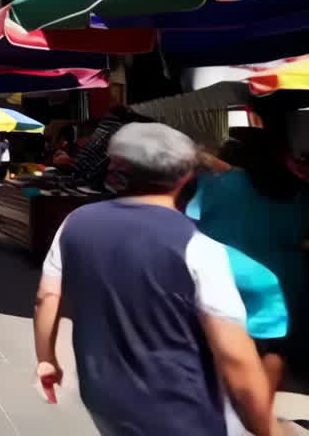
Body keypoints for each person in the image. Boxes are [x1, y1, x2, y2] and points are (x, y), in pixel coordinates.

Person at [34, 123, 274, 436]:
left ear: (119, 168)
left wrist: (46, 359)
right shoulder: (199, 248)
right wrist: (270, 429)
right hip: (185, 413)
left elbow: (46, 297)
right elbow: (235, 357)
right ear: (186, 177)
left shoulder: (75, 222)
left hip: (102, 396)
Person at [190, 128, 306, 398]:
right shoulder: (297, 190)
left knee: (229, 351)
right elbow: (296, 234)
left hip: (226, 277)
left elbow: (194, 217)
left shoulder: (215, 183)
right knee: (278, 351)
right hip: (286, 282)